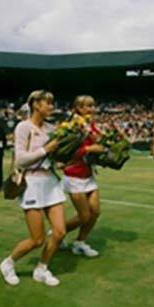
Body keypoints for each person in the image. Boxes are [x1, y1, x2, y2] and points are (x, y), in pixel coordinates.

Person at [0, 90, 65, 287]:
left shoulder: (51, 128)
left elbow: (52, 156)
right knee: (37, 239)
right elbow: (21, 159)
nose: (51, 107)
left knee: (60, 232)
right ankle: (8, 263)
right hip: (32, 184)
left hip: (51, 182)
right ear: (36, 104)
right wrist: (47, 149)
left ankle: (42, 268)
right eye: (48, 104)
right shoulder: (23, 127)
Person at [60, 95, 105, 257]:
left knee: (95, 212)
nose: (91, 109)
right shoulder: (71, 126)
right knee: (84, 216)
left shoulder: (90, 124)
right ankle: (58, 233)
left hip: (88, 174)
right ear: (78, 108)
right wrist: (88, 150)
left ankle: (80, 242)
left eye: (93, 106)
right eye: (87, 106)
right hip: (74, 176)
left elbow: (100, 141)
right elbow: (65, 151)